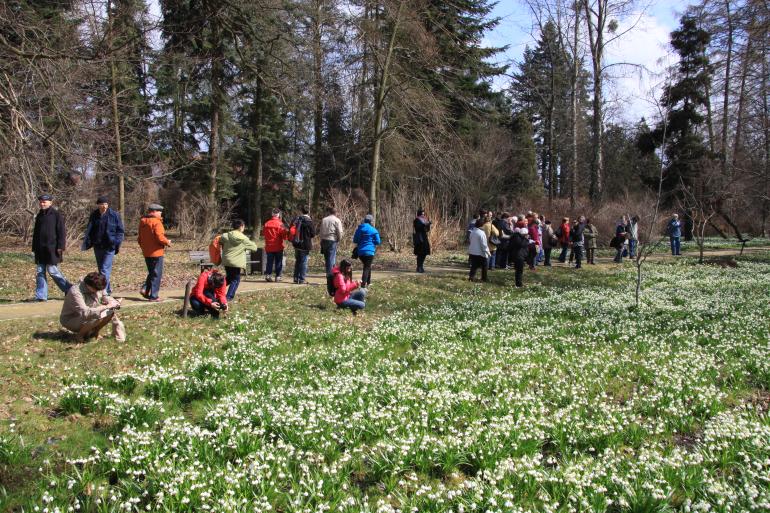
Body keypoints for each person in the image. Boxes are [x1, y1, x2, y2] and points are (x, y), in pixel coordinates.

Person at [60, 272, 125, 343]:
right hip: (71, 319)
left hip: (88, 315)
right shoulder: (75, 292)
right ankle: (80, 335)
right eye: (96, 290)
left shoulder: (97, 284)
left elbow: (105, 296)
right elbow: (86, 312)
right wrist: (106, 306)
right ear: (88, 285)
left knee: (109, 312)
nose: (98, 292)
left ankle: (94, 333)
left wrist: (114, 302)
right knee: (96, 316)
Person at [32, 193, 72, 301]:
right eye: (41, 202)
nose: (42, 203)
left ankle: (69, 289)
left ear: (50, 202)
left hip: (52, 249)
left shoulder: (56, 215)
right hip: (40, 250)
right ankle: (41, 296)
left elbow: (61, 232)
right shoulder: (39, 215)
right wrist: (34, 248)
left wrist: (61, 246)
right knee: (40, 271)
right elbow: (36, 233)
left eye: (44, 202)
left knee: (53, 271)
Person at [82, 196, 125, 295]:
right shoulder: (94, 215)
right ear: (98, 205)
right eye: (102, 204)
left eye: (106, 204)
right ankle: (107, 289)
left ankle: (103, 291)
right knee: (101, 269)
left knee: (104, 269)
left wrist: (116, 242)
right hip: (98, 246)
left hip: (110, 246)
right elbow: (90, 229)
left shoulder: (114, 215)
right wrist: (89, 241)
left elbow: (120, 231)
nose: (104, 206)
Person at [138, 203, 171, 301]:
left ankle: (145, 289)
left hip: (146, 252)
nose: (161, 214)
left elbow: (139, 239)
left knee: (152, 272)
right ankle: (154, 296)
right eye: (160, 212)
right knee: (157, 274)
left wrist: (144, 247)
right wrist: (167, 242)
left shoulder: (142, 221)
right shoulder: (157, 222)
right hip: (156, 252)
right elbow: (160, 237)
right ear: (154, 212)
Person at [220, 219, 258, 300]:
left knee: (229, 278)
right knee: (235, 280)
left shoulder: (225, 235)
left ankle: (215, 289)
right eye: (243, 226)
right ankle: (228, 297)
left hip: (226, 261)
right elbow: (254, 248)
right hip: (236, 263)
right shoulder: (243, 239)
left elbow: (220, 241)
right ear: (241, 227)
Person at [353, 214, 381, 287]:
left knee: (368, 266)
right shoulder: (373, 230)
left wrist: (361, 241)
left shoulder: (359, 229)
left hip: (360, 252)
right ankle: (363, 285)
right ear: (371, 221)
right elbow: (378, 241)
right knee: (367, 267)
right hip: (369, 251)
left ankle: (368, 282)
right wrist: (372, 242)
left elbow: (355, 240)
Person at [289, 206, 315, 284]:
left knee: (298, 261)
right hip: (305, 244)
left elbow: (291, 230)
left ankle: (295, 278)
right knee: (304, 261)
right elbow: (313, 234)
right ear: (308, 211)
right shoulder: (309, 222)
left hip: (297, 244)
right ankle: (301, 279)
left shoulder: (296, 220)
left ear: (301, 211)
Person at [262, 209, 290, 282]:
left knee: (269, 262)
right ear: (278, 215)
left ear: (272, 214)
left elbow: (263, 234)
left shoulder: (266, 224)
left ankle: (268, 275)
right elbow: (284, 236)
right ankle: (278, 276)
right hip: (278, 246)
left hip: (269, 246)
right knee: (278, 262)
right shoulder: (280, 224)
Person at [319, 207, 344, 277]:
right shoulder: (337, 220)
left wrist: (321, 239)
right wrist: (339, 239)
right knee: (331, 258)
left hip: (324, 240)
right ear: (336, 213)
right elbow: (339, 231)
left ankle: (330, 272)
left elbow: (320, 231)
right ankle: (330, 275)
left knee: (327, 258)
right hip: (332, 240)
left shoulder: (324, 219)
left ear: (329, 212)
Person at [510, 221, 529, 287]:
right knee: (519, 270)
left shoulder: (519, 237)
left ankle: (519, 282)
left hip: (519, 255)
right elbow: (521, 245)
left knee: (519, 270)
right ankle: (518, 283)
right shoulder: (517, 238)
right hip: (518, 256)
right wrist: (526, 240)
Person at [413, 208, 432, 273]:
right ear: (419, 214)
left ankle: (421, 266)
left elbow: (427, 230)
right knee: (420, 253)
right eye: (422, 213)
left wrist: (428, 224)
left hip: (424, 237)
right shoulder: (416, 220)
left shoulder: (424, 219)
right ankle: (419, 267)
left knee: (425, 252)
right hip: (419, 237)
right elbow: (418, 228)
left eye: (423, 213)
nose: (423, 215)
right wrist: (424, 224)